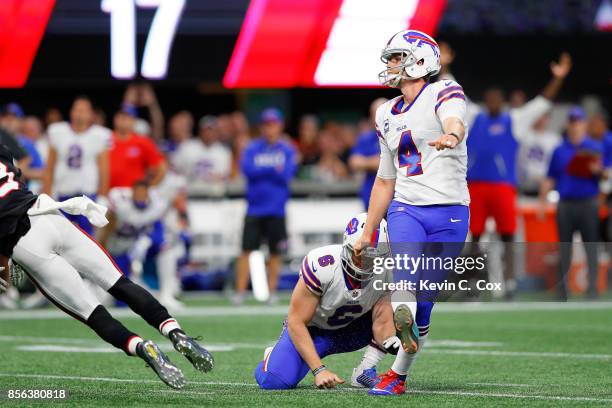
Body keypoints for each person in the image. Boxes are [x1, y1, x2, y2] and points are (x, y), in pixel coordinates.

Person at [0, 143, 213, 388]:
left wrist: (5, 262)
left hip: (23, 244)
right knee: (119, 283)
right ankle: (176, 332)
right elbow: (17, 177)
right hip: (48, 216)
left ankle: (142, 347)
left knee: (91, 312)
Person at [354, 29, 469, 396]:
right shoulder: (385, 113)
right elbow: (385, 179)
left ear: (421, 61)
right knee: (405, 278)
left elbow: (455, 120)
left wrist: (451, 136)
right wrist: (367, 230)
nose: (389, 65)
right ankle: (402, 310)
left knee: (425, 303)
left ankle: (398, 374)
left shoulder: (443, 90)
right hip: (407, 208)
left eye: (397, 57)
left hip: (450, 210)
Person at [466, 53, 572, 297]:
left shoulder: (514, 119)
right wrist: (445, 67)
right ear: (485, 102)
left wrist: (557, 78)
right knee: (475, 236)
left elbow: (541, 103)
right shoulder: (474, 117)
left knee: (508, 235)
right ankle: (473, 284)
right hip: (476, 186)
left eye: (496, 100)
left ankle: (510, 282)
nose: (492, 103)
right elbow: (452, 91)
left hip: (503, 186)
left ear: (501, 102)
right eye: (489, 100)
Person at [254, 213, 399, 390]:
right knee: (274, 382)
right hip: (312, 332)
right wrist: (319, 370)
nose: (365, 262)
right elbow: (296, 321)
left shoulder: (387, 270)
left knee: (407, 312)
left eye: (373, 256)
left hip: (351, 332)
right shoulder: (324, 264)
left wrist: (390, 340)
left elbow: (382, 321)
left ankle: (365, 370)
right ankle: (274, 355)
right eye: (361, 252)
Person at [538, 106, 603, 299]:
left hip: (587, 202)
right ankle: (563, 290)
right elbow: (550, 177)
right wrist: (542, 201)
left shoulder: (594, 147)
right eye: (572, 122)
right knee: (564, 248)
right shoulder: (559, 150)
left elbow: (605, 173)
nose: (575, 126)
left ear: (583, 124)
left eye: (578, 122)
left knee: (591, 247)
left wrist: (597, 170)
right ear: (568, 124)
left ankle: (593, 289)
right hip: (566, 203)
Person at [234, 108, 297, 304]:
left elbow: (286, 174)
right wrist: (272, 169)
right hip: (254, 208)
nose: (270, 129)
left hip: (276, 209)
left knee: (275, 252)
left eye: (273, 124)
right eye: (266, 124)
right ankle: (240, 292)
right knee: (246, 250)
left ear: (279, 126)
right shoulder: (252, 148)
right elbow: (247, 170)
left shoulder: (287, 149)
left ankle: (271, 292)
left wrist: (262, 169)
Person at [43, 96, 111, 235]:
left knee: (87, 239)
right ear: (71, 112)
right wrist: (47, 194)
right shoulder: (57, 131)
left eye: (83, 110)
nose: (79, 114)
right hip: (62, 195)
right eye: (77, 109)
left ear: (91, 114)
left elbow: (104, 171)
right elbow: (49, 168)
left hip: (87, 197)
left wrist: (102, 197)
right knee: (59, 237)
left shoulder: (100, 135)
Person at [109, 103, 167, 188]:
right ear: (115, 118)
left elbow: (161, 168)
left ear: (134, 121)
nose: (124, 119)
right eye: (121, 116)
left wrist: (148, 189)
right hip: (109, 193)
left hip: (133, 194)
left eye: (128, 116)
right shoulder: (105, 139)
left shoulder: (143, 142)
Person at [350, 98, 388, 209]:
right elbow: (354, 162)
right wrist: (379, 161)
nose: (377, 118)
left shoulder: (399, 136)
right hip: (370, 201)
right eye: (374, 114)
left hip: (395, 203)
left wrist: (366, 162)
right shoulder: (365, 138)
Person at [171, 115, 232, 183]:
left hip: (214, 190)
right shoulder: (187, 146)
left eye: (211, 130)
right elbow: (175, 168)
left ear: (216, 132)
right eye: (206, 129)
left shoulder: (223, 151)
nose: (209, 133)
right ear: (200, 130)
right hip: (190, 189)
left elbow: (227, 175)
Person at [517, 112, 561, 195]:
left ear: (548, 119)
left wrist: (549, 180)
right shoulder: (524, 137)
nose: (541, 120)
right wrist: (531, 176)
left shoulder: (555, 140)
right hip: (525, 187)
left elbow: (558, 165)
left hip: (548, 189)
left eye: (544, 117)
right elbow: (519, 162)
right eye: (539, 116)